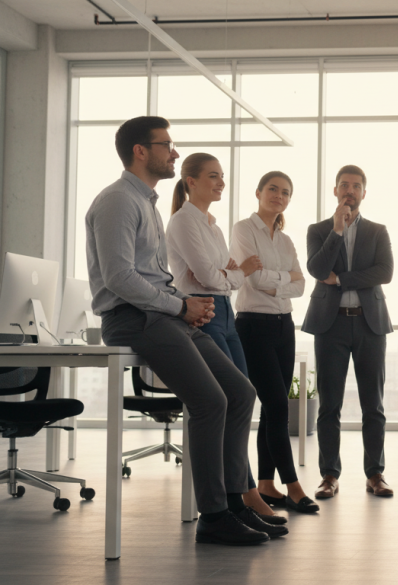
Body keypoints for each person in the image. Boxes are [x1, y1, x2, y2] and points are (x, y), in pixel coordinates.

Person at [85, 116, 273, 545]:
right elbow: (118, 278)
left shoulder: (146, 204)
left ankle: (234, 502)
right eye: (167, 145)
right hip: (133, 319)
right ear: (140, 151)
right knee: (209, 401)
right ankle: (213, 516)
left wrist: (185, 308)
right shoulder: (118, 200)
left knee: (241, 393)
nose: (174, 152)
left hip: (164, 316)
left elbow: (152, 276)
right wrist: (180, 305)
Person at [164, 152, 287, 530]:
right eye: (212, 176)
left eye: (222, 177)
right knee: (223, 401)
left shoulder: (214, 227)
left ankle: (239, 498)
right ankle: (230, 501)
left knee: (242, 397)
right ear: (191, 181)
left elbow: (226, 276)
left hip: (226, 312)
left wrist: (231, 276)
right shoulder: (184, 222)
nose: (220, 183)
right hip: (203, 312)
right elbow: (209, 276)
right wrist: (235, 275)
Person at [303, 164, 395, 500]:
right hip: (331, 324)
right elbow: (316, 268)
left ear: (364, 193)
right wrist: (337, 231)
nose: (350, 190)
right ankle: (329, 475)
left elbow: (385, 272)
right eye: (344, 185)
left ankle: (376, 474)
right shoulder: (319, 230)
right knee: (330, 404)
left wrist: (341, 279)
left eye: (356, 186)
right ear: (335, 191)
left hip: (370, 323)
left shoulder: (377, 231)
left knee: (374, 405)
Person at [230, 171, 319, 515]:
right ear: (258, 192)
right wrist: (285, 280)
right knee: (280, 406)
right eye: (272, 189)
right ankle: (293, 486)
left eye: (285, 192)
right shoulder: (242, 230)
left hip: (284, 325)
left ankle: (266, 483)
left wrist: (277, 280)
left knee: (273, 408)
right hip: (253, 325)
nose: (278, 196)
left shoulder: (285, 241)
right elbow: (254, 280)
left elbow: (301, 285)